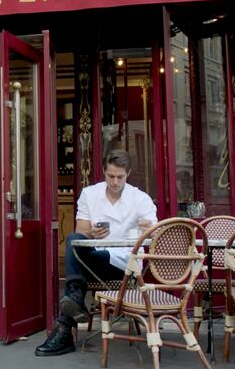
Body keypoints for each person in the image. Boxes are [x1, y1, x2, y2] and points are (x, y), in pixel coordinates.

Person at [35, 149, 157, 356]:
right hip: (91, 262)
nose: (115, 182)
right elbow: (80, 232)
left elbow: (155, 233)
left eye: (120, 177)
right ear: (103, 172)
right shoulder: (90, 194)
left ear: (128, 174)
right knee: (74, 239)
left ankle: (68, 319)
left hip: (123, 265)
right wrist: (91, 232)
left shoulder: (140, 199)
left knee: (88, 254)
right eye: (111, 176)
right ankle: (74, 297)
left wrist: (149, 230)